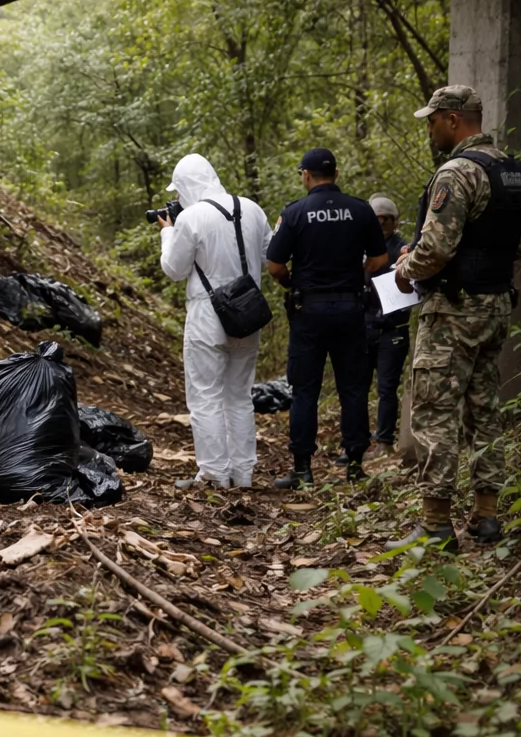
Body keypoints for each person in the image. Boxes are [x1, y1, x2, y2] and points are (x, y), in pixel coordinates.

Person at [388, 85, 521, 551]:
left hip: (453, 310)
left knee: (435, 413)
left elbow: (437, 249)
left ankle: (435, 525)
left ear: (453, 119)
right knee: (484, 409)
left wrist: (406, 269)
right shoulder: (512, 172)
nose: (429, 128)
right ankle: (487, 516)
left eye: (432, 120)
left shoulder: (458, 172)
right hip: (494, 306)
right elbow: (513, 246)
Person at [266, 148, 389, 489]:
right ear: (335, 173)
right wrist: (357, 278)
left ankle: (303, 468)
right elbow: (379, 259)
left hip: (310, 313)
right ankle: (354, 466)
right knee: (353, 388)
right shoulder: (361, 210)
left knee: (305, 390)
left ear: (306, 175)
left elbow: (275, 265)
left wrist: (295, 283)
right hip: (351, 310)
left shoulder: (294, 213)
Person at [158, 154, 271, 490]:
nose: (178, 198)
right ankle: (243, 473)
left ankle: (214, 475)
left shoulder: (191, 217)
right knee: (239, 395)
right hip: (248, 312)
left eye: (179, 191)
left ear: (188, 185)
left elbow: (174, 269)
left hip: (208, 315)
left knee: (205, 396)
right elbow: (268, 256)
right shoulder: (252, 208)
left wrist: (168, 233)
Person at [364, 194, 411, 451]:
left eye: (386, 220)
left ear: (394, 222)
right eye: (376, 220)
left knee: (387, 386)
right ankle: (357, 443)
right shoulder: (359, 246)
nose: (381, 224)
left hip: (393, 327)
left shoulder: (402, 249)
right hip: (364, 324)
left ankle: (384, 442)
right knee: (357, 385)